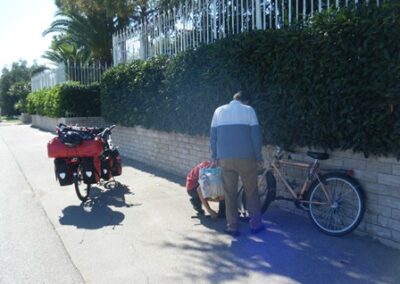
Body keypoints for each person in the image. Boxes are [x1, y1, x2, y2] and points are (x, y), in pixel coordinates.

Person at [210, 91, 265, 236]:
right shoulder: (249, 111)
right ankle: (256, 224)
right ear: (246, 101)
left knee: (229, 193)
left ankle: (232, 226)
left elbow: (213, 137)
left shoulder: (218, 111)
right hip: (247, 158)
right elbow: (256, 136)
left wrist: (214, 156)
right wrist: (258, 157)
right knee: (251, 191)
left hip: (225, 159)